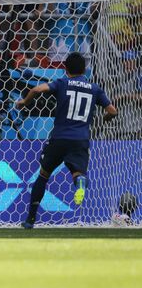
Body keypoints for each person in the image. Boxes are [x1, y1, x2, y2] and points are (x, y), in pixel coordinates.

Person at [16, 52, 118, 229]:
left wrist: (24, 102)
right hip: (80, 139)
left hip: (59, 138)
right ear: (84, 69)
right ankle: (79, 183)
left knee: (43, 176)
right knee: (78, 173)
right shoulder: (94, 88)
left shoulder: (62, 83)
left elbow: (35, 89)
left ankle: (30, 220)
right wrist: (105, 118)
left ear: (65, 68)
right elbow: (113, 111)